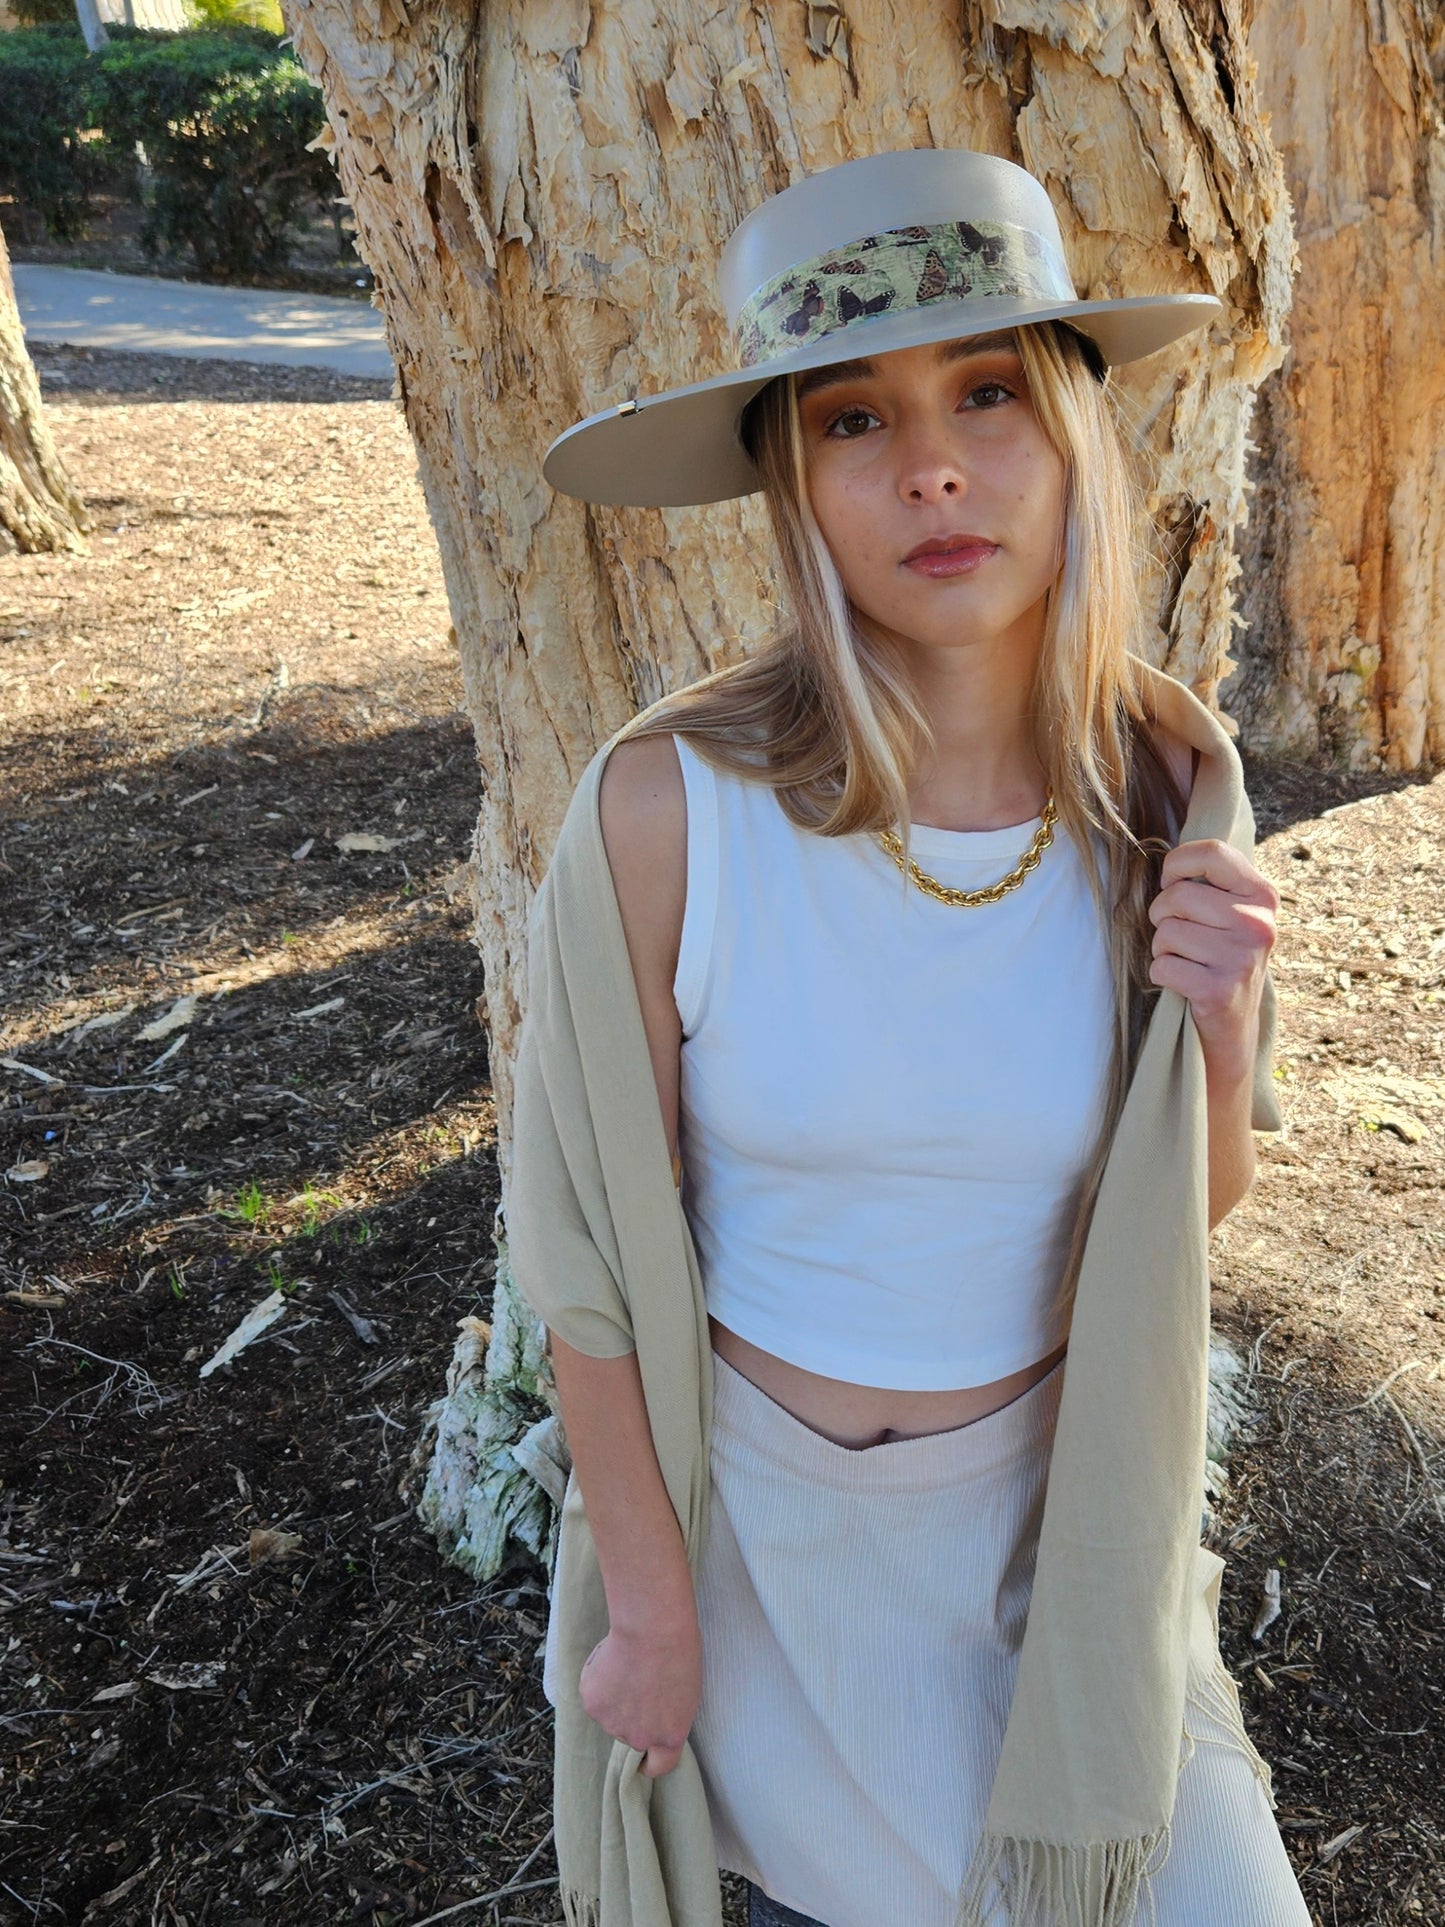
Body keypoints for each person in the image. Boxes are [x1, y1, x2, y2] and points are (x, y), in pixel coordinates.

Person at [511, 148, 1310, 1927]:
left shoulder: (1163, 804)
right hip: (762, 1564)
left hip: (1056, 1536)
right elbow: (581, 1266)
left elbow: (1182, 1219)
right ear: (790, 486)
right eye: (851, 419)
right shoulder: (666, 814)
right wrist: (648, 1613)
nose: (933, 465)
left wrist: (1221, 1028)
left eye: (987, 395)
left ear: (1076, 438)